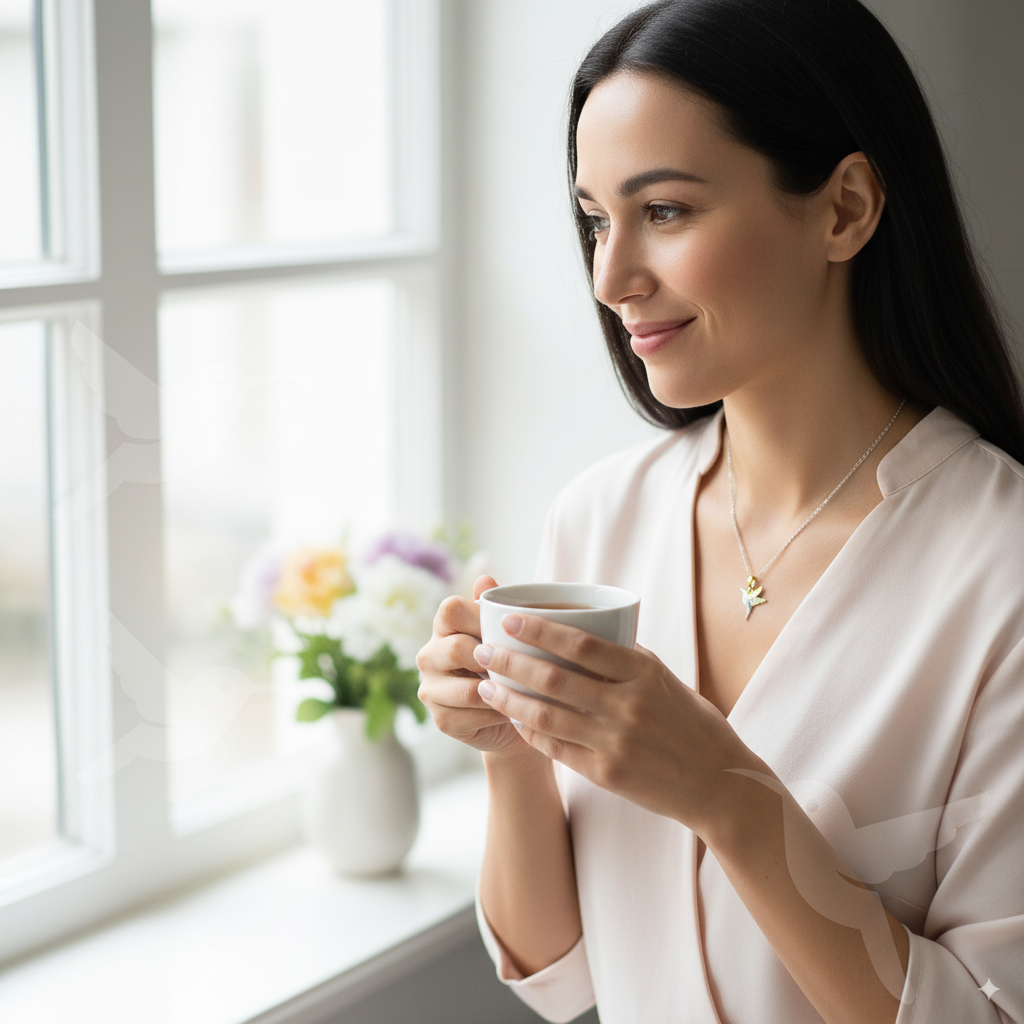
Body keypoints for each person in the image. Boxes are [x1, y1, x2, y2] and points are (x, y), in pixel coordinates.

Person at [416, 0, 1024, 1021]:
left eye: (664, 212)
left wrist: (725, 794)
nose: (612, 277)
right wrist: (511, 753)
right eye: (595, 219)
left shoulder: (999, 571)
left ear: (843, 209)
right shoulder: (598, 518)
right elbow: (558, 981)